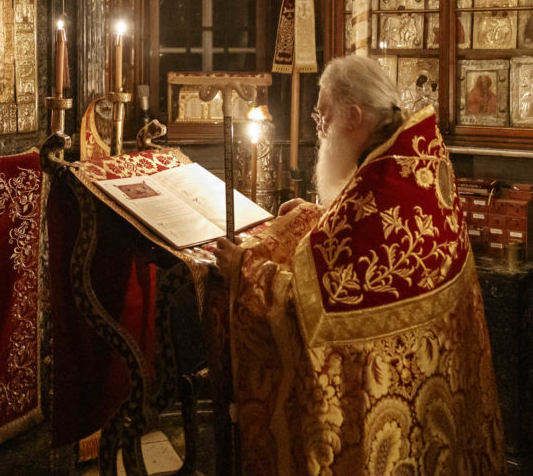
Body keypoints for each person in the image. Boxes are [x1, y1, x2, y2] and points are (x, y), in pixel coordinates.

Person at [214, 56, 504, 475]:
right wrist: (318, 215)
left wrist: (245, 269)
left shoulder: (383, 181)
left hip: (394, 391)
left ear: (353, 116)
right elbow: (366, 234)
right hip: (436, 379)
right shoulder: (413, 156)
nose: (320, 128)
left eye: (324, 116)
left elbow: (316, 309)